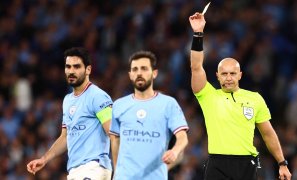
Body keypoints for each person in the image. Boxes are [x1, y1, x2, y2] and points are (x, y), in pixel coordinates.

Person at [188, 12, 292, 180]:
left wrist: (282, 163)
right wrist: (198, 33)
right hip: (217, 164)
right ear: (217, 75)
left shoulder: (255, 98)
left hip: (246, 165)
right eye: (224, 74)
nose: (228, 77)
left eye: (232, 73)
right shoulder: (207, 96)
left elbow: (268, 133)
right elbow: (196, 67)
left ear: (240, 75)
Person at [27, 47, 113, 179]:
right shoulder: (68, 100)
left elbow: (113, 132)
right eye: (68, 67)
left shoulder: (98, 97)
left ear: (88, 69)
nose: (71, 71)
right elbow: (65, 137)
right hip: (74, 171)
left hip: (94, 168)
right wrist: (44, 159)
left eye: (77, 66)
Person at [109, 50, 189, 180]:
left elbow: (183, 138)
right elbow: (115, 140)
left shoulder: (168, 104)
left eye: (144, 69)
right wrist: (117, 173)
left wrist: (174, 151)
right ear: (130, 75)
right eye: (135, 69)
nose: (139, 73)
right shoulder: (119, 105)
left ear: (154, 73)